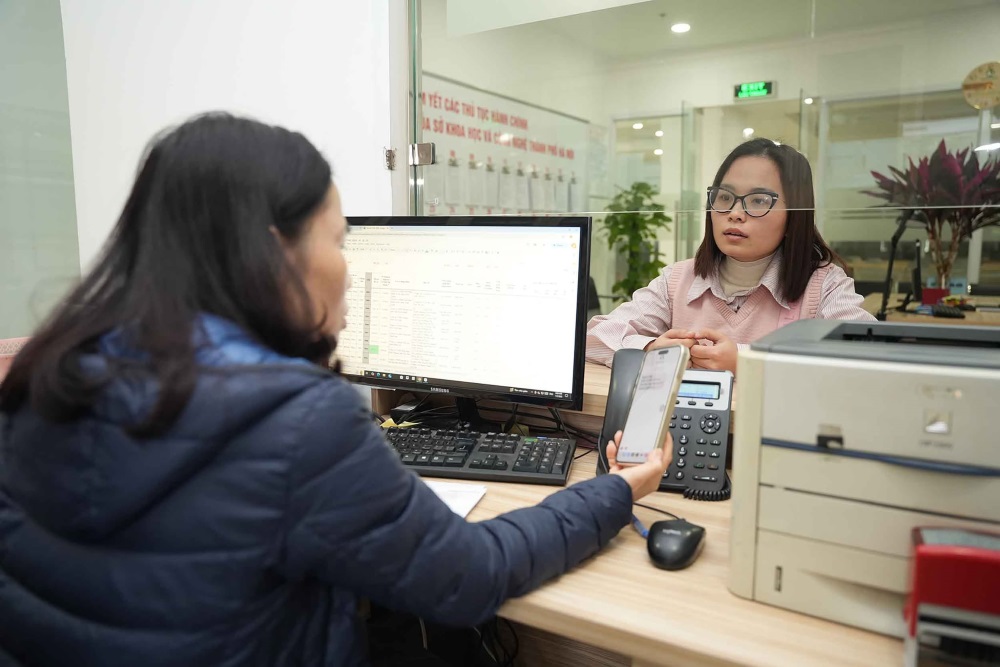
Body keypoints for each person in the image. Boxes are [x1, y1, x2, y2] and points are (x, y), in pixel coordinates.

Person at [0, 113, 670, 667]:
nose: (349, 267)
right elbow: (471, 574)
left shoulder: (51, 370)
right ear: (275, 251)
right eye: (338, 239)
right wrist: (616, 490)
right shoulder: (294, 417)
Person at [587, 138, 874, 374]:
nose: (735, 213)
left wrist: (746, 361)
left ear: (794, 216)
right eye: (725, 197)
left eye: (759, 200)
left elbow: (868, 356)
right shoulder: (677, 279)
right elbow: (595, 336)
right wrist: (650, 349)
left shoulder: (823, 284)